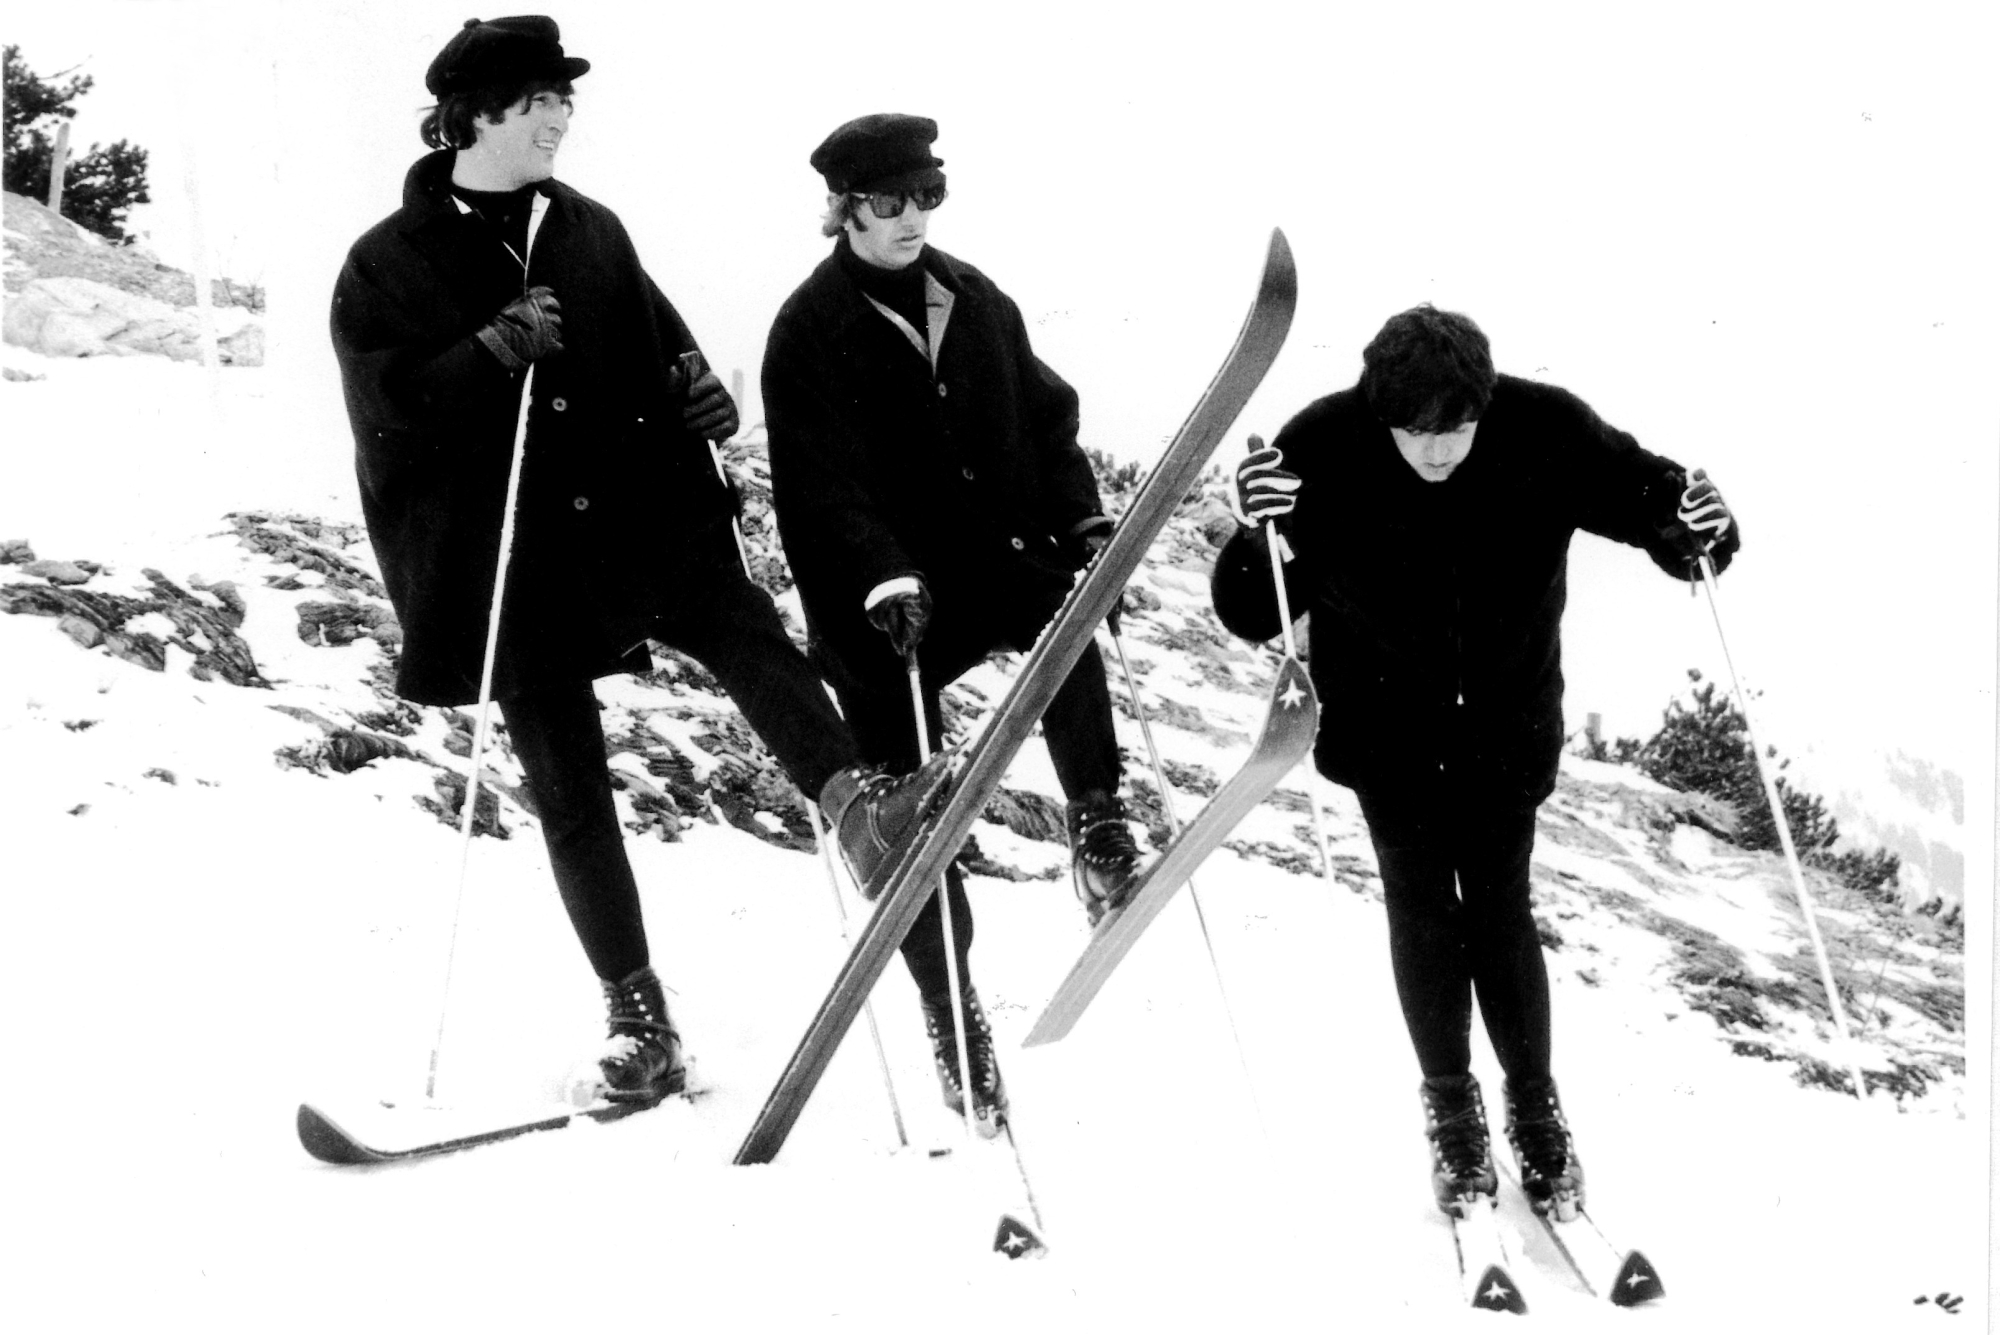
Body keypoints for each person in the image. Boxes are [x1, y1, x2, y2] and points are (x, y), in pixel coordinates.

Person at [329, 19, 949, 1110]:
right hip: (509, 552)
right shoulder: (387, 260)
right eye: (539, 103)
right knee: (568, 784)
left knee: (738, 623)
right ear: (474, 115)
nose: (560, 119)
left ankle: (857, 807)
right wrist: (484, 354)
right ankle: (638, 1018)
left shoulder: (588, 228)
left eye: (563, 100)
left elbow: (662, 342)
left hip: (630, 511)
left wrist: (696, 392)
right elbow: (386, 413)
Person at [1211, 305, 1739, 1220]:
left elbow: (1653, 502)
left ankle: (1534, 1108)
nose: (1438, 450)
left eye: (1455, 428)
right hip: (1386, 733)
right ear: (1380, 413)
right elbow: (1249, 608)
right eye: (1415, 432)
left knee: (1500, 911)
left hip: (1505, 729)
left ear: (1483, 405)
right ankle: (1452, 1111)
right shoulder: (1324, 445)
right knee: (1421, 910)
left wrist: (1697, 525)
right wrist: (1261, 533)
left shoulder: (1545, 427)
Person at [762, 113, 1143, 1130]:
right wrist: (878, 571)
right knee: (914, 824)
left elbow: (1047, 419)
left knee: (1064, 623)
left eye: (927, 194)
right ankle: (951, 1014)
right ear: (842, 210)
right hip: (881, 607)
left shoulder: (974, 298)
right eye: (888, 202)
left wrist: (1080, 519)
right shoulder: (807, 329)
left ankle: (1099, 832)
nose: (911, 218)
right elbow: (817, 485)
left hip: (989, 563)